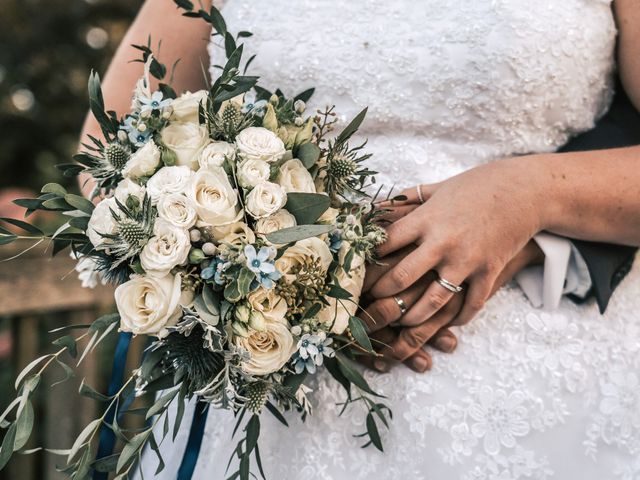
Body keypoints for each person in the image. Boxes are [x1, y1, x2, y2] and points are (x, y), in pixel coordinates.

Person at [82, 1, 640, 478]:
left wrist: (529, 193)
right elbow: (103, 152)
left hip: (543, 373)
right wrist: (254, 259)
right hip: (274, 389)